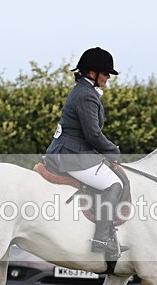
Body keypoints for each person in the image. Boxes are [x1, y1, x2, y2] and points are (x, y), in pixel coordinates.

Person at [45, 47, 128, 258]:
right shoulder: (86, 96)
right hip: (71, 155)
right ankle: (102, 237)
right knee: (114, 183)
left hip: (73, 151)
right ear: (92, 73)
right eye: (106, 73)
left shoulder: (85, 91)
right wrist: (113, 151)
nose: (108, 77)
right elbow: (93, 134)